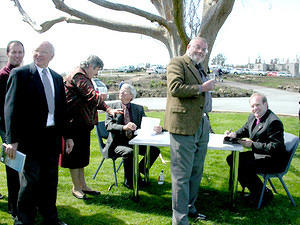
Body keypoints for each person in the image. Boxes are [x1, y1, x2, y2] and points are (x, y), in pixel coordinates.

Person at [4, 41, 73, 225]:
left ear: (51, 56)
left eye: (43, 53)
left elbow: (62, 111)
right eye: (36, 51)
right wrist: (12, 140)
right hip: (29, 139)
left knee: (50, 181)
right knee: (29, 181)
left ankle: (50, 218)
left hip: (52, 138)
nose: (38, 55)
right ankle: (24, 219)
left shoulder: (57, 78)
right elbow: (10, 109)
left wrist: (68, 136)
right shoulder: (20, 74)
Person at [164, 37, 215, 225]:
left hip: (201, 126)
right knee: (181, 174)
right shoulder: (177, 62)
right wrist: (202, 88)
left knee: (196, 171)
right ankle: (179, 218)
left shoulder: (201, 67)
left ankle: (189, 206)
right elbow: (175, 88)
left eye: (204, 49)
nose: (201, 51)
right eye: (198, 47)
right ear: (189, 47)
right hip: (183, 126)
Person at [61, 55, 122, 199]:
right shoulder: (78, 76)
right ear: (90, 66)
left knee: (81, 157)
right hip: (73, 124)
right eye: (97, 70)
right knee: (75, 158)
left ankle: (82, 185)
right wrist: (108, 109)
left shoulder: (83, 76)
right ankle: (76, 188)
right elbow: (91, 95)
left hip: (82, 124)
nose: (96, 74)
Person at [225, 93, 288, 207]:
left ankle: (262, 193)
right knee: (232, 159)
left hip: (274, 160)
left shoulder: (273, 122)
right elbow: (244, 129)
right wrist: (233, 134)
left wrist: (253, 145)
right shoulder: (253, 117)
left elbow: (275, 147)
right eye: (252, 106)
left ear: (265, 104)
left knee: (241, 164)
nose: (255, 109)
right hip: (261, 156)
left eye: (257, 105)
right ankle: (258, 191)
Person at [104, 83, 161, 189]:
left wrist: (157, 128)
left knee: (154, 150)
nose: (121, 92)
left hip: (134, 141)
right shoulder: (111, 107)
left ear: (131, 96)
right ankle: (129, 181)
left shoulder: (138, 109)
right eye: (120, 90)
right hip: (117, 143)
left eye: (124, 91)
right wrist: (124, 127)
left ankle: (138, 171)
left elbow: (145, 124)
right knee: (129, 153)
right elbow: (109, 125)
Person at [0, 40, 25, 218]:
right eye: (14, 52)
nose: (17, 55)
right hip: (7, 128)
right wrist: (8, 136)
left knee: (25, 168)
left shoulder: (23, 73)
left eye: (20, 52)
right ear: (8, 54)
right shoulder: (4, 75)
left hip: (23, 128)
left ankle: (25, 202)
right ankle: (13, 206)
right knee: (13, 166)